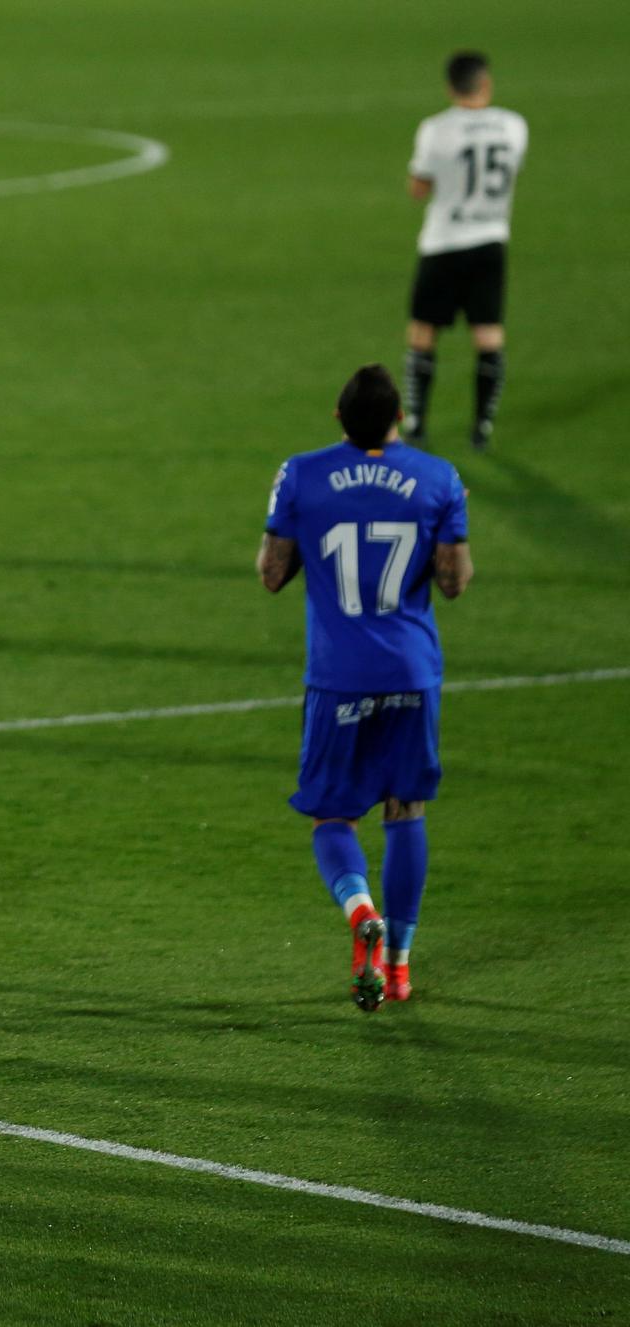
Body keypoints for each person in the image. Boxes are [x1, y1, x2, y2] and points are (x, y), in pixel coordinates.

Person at [257, 364, 473, 1010]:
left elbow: (271, 572)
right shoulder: (439, 478)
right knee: (406, 809)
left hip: (338, 675)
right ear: (398, 419)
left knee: (333, 813)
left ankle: (360, 913)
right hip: (411, 672)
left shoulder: (301, 473)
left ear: (337, 417)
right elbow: (455, 580)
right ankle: (401, 965)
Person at [401, 51, 527, 451]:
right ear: (485, 83)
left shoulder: (436, 130)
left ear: (450, 87)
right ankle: (482, 426)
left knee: (423, 331)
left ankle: (417, 422)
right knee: (488, 333)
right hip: (491, 238)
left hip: (443, 241)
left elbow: (419, 188)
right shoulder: (514, 126)